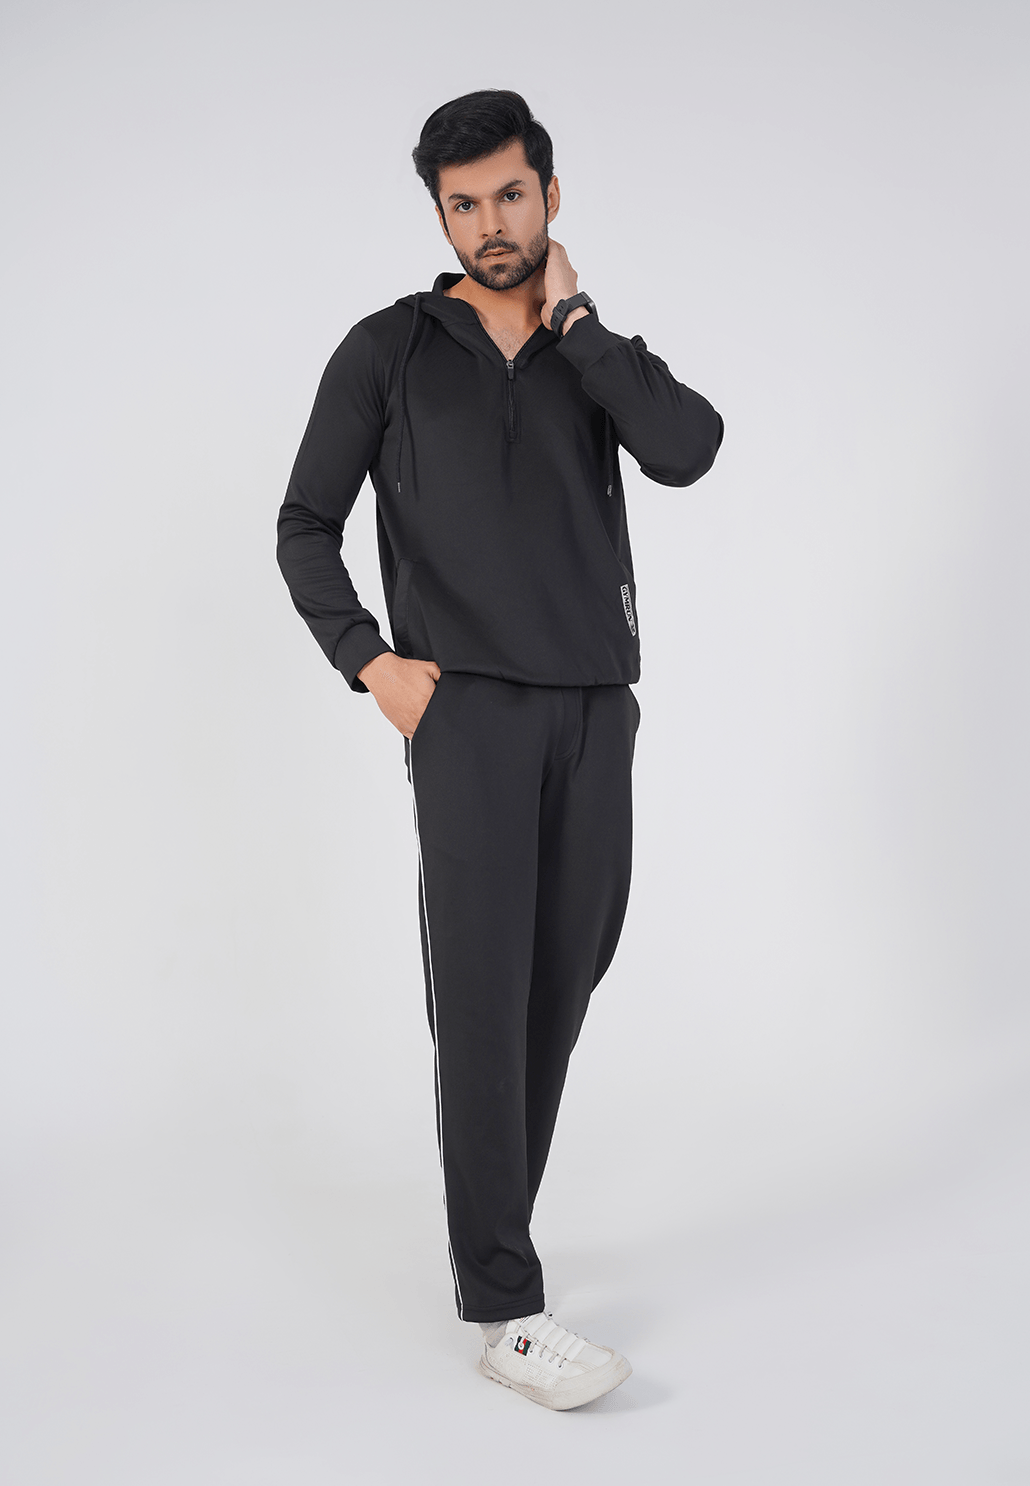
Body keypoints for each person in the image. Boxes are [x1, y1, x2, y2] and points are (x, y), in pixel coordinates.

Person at [276, 89, 723, 1410]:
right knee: (480, 994)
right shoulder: (389, 350)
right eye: (463, 204)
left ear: (551, 196)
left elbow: (688, 448)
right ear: (440, 215)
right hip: (466, 712)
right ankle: (505, 1303)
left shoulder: (593, 353)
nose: (489, 223)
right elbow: (304, 522)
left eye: (509, 195)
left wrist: (584, 329)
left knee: (563, 975)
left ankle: (495, 1230)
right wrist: (371, 662)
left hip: (595, 709)